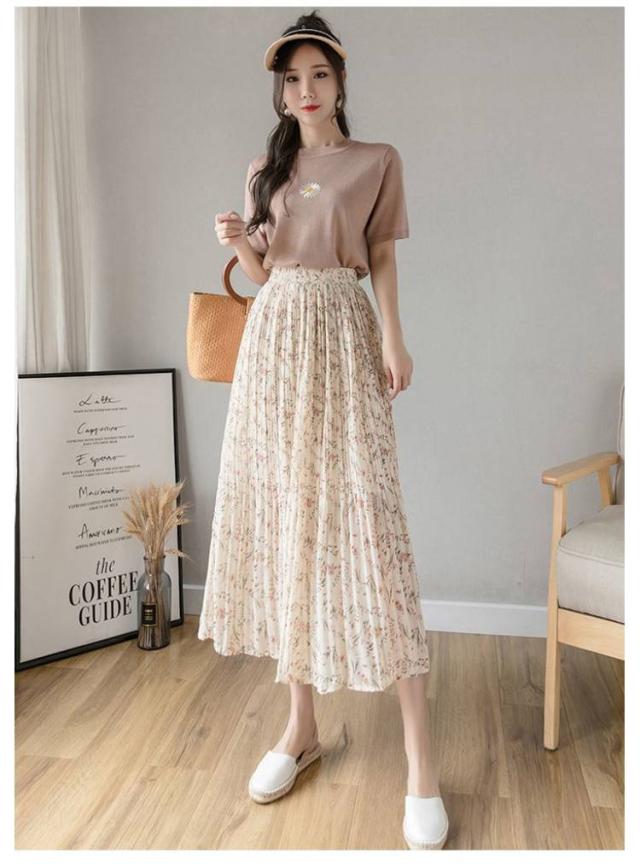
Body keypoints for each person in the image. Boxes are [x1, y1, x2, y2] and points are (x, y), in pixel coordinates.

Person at [197, 10, 449, 850]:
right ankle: (300, 727)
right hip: (275, 346)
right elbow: (264, 273)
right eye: (292, 78)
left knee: (371, 529)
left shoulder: (377, 161)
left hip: (344, 333)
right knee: (287, 524)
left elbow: (381, 255)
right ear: (281, 91)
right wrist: (240, 242)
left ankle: (421, 762)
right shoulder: (264, 170)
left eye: (319, 74)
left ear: (340, 82)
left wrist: (394, 336)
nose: (304, 90)